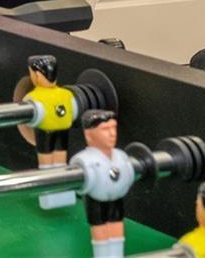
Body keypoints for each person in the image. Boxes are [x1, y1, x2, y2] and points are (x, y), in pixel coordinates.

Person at [69, 109, 134, 257]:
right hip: (96, 200)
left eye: (113, 128)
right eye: (105, 129)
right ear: (89, 135)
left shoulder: (121, 156)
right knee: (100, 228)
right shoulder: (84, 160)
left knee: (117, 225)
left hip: (116, 198)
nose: (112, 134)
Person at [21, 53, 76, 209]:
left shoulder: (32, 98)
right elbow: (73, 110)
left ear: (37, 75)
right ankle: (63, 191)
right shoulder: (66, 94)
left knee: (46, 164)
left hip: (45, 133)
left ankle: (50, 193)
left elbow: (24, 113)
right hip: (62, 132)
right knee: (60, 162)